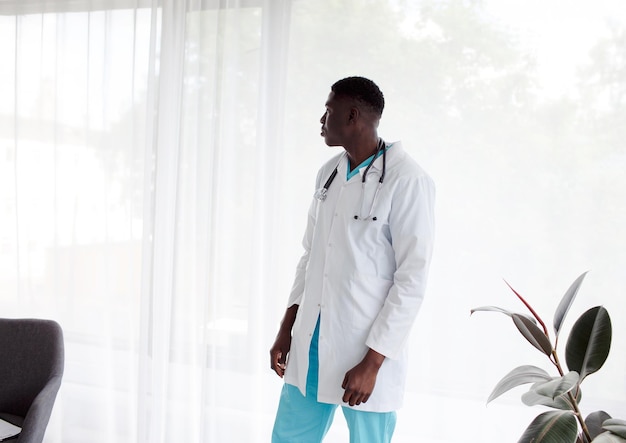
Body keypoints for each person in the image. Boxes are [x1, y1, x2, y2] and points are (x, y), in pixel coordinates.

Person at [269, 76, 435, 443]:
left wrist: (373, 363)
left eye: (328, 110)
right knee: (288, 438)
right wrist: (287, 328)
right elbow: (310, 257)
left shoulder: (408, 180)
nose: (321, 119)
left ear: (353, 115)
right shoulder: (328, 173)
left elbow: (412, 279)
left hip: (364, 350)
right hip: (309, 342)